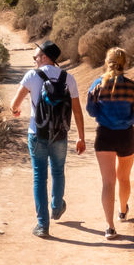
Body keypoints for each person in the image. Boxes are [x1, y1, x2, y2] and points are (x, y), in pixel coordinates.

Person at [9, 40, 85, 237]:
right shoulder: (68, 78)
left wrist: (16, 111)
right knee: (58, 171)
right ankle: (57, 206)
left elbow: (14, 105)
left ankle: (42, 226)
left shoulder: (32, 76)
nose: (34, 60)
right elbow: (77, 111)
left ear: (44, 57)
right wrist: (81, 137)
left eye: (36, 57)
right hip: (60, 133)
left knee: (39, 177)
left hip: (37, 133)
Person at [86, 47, 134, 240]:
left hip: (104, 135)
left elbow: (91, 111)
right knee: (124, 178)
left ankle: (109, 227)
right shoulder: (131, 86)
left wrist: (105, 113)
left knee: (108, 182)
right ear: (124, 63)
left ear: (107, 61)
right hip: (126, 134)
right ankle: (122, 211)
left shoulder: (97, 84)